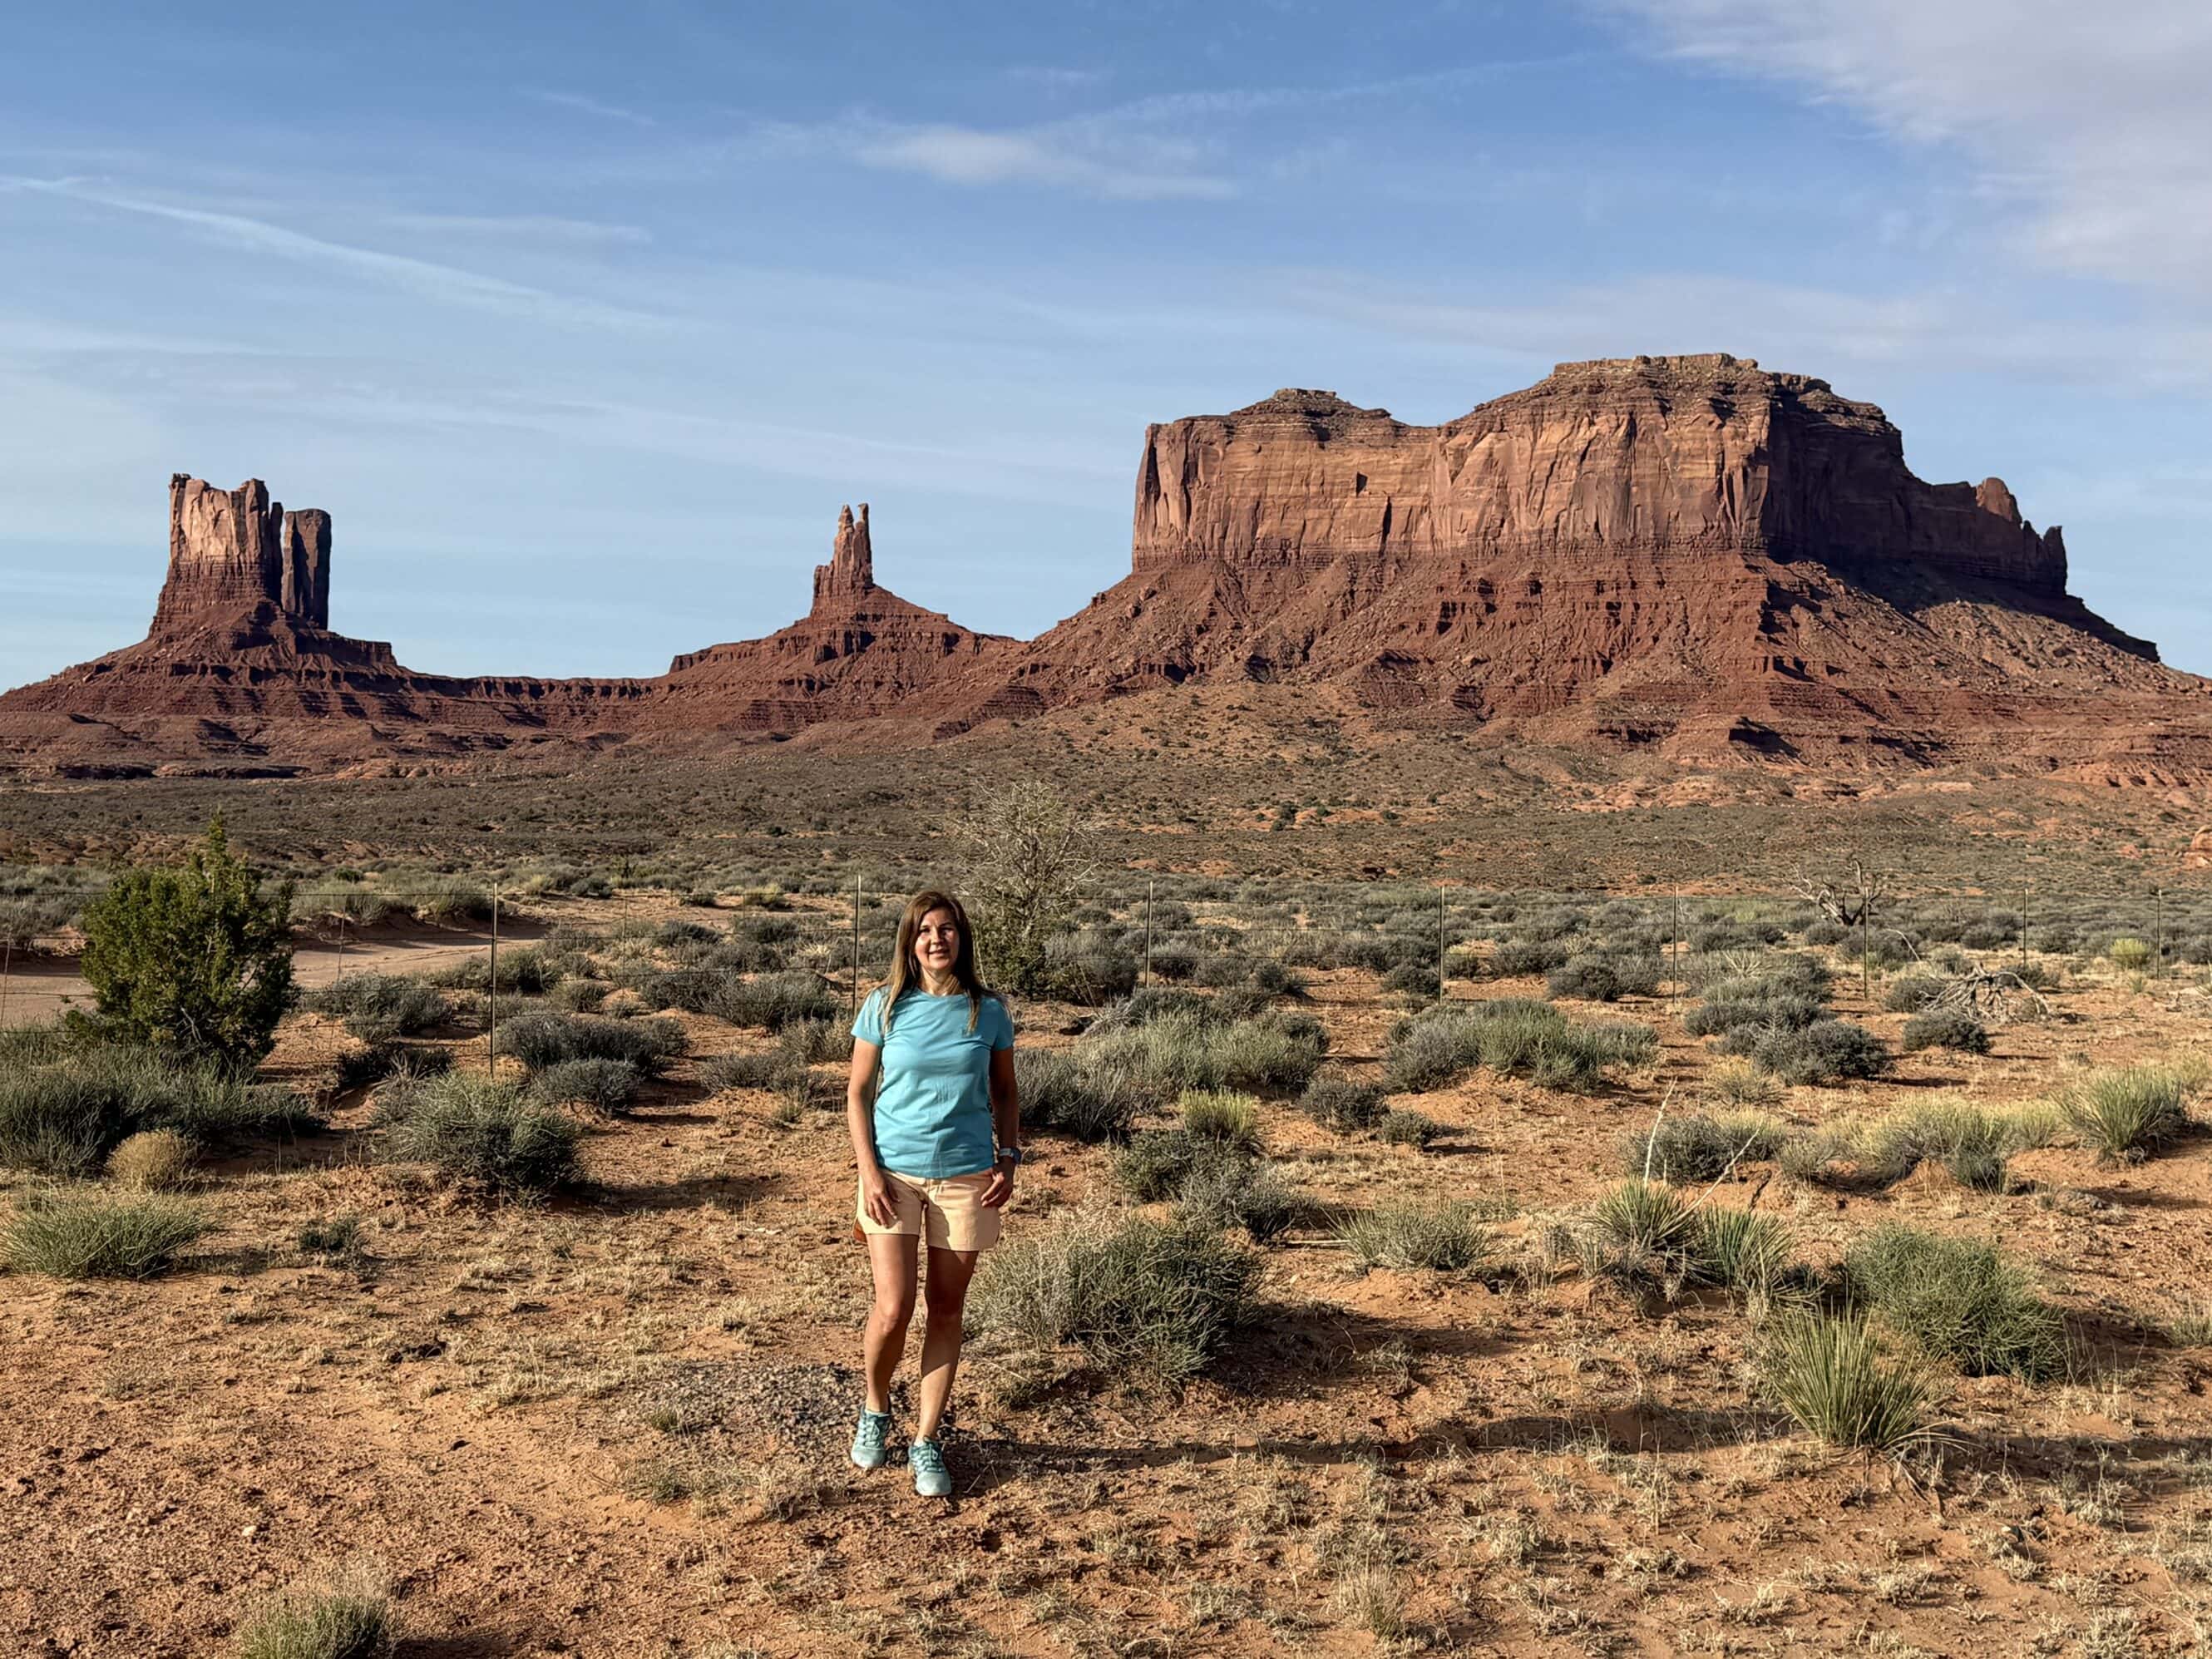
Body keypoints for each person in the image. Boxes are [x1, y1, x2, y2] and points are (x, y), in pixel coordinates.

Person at [846, 889, 1019, 1498]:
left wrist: (1009, 1155)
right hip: (893, 1173)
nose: (936, 939)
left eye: (946, 929)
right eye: (925, 930)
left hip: (967, 1176)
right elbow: (858, 1093)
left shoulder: (987, 1010)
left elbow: (1005, 1094)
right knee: (893, 1306)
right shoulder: (884, 1005)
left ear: (961, 938)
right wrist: (867, 1171)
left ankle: (926, 1439)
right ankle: (875, 1408)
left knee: (947, 1309)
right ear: (909, 940)